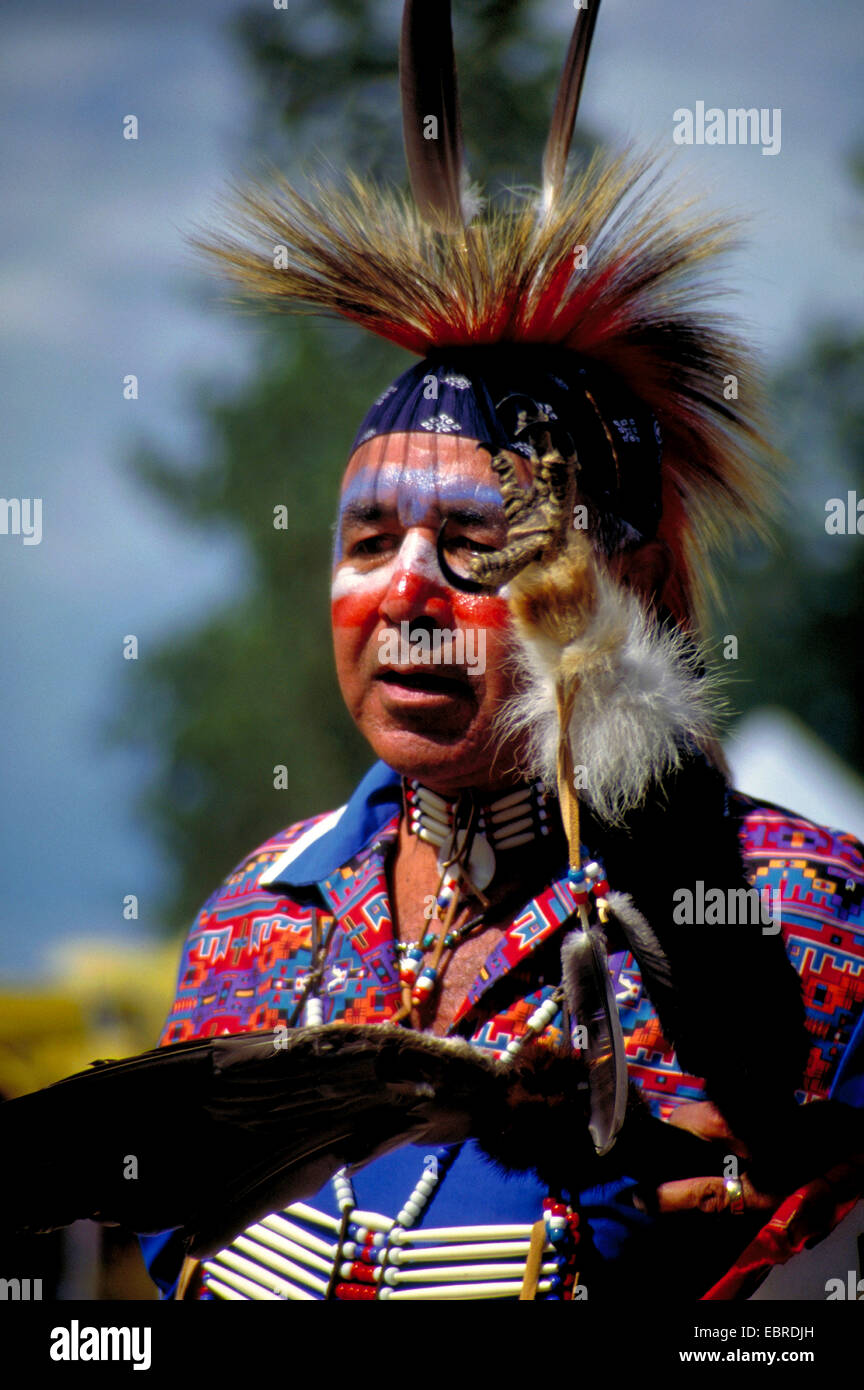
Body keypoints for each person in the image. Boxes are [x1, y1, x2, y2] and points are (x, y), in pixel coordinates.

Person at [140, 2, 864, 1301]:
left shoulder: (808, 919)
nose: (405, 585)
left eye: (479, 541)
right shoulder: (254, 923)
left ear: (617, 584)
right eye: (367, 539)